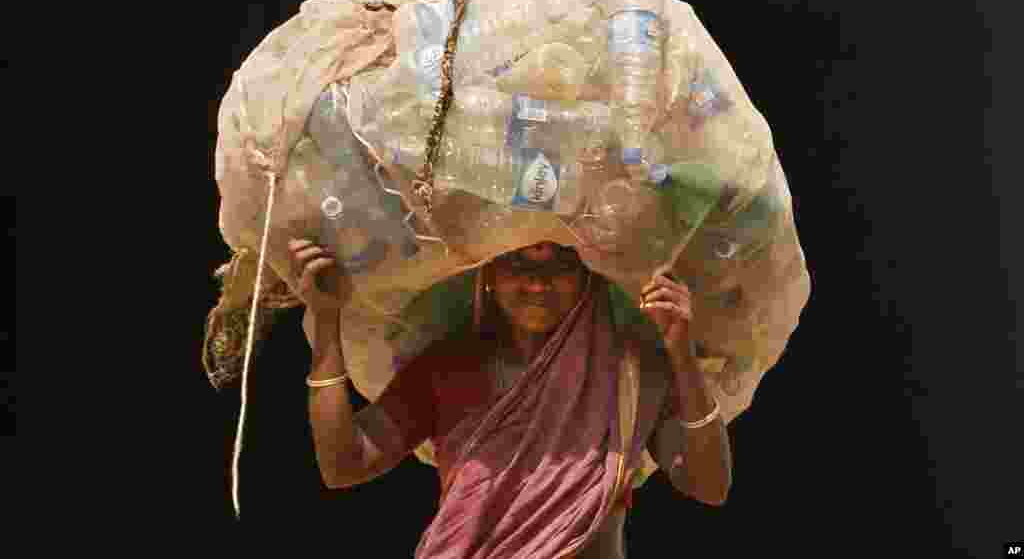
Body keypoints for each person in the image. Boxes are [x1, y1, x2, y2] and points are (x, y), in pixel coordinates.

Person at [290, 238, 732, 558]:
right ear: (488, 274)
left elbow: (708, 485)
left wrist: (680, 351)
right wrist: (327, 321)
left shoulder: (634, 369)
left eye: (560, 265)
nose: (537, 285)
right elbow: (344, 465)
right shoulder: (449, 366)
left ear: (589, 277)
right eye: (518, 265)